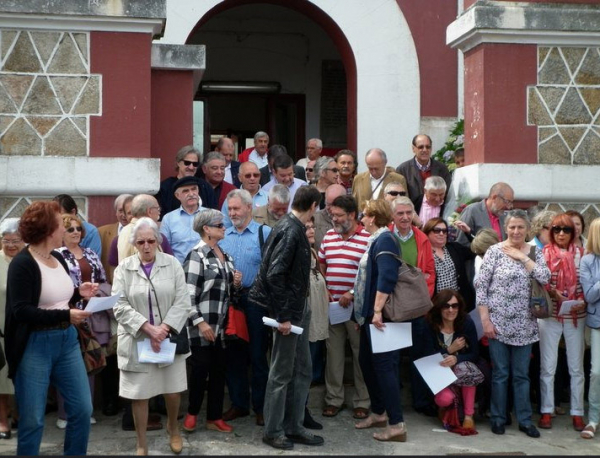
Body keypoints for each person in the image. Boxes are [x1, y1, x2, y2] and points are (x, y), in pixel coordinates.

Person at [5, 201, 97, 455]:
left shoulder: (58, 257)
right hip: (35, 345)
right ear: (48, 229)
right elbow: (21, 311)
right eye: (61, 223)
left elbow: (59, 298)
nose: (65, 228)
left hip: (66, 341)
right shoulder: (22, 264)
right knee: (33, 420)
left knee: (81, 410)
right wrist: (67, 314)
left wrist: (80, 293)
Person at [249, 186, 323, 450]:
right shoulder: (291, 229)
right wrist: (283, 317)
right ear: (313, 206)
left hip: (295, 309)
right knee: (281, 373)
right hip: (288, 313)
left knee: (303, 369)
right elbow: (274, 275)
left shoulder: (289, 226)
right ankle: (273, 430)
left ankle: (293, 426)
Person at [112, 217, 191, 455]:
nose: (146, 246)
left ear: (159, 240)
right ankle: (141, 442)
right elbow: (119, 305)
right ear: (134, 243)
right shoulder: (123, 268)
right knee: (140, 395)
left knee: (173, 390)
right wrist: (147, 327)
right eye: (140, 242)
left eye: (150, 241)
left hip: (167, 338)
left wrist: (163, 329)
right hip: (137, 339)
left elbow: (183, 301)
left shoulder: (173, 264)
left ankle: (173, 428)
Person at [475, 209, 550, 438]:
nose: (516, 231)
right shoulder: (494, 251)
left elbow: (545, 278)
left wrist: (523, 258)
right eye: (512, 227)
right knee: (500, 374)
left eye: (520, 227)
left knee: (521, 375)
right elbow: (481, 288)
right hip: (497, 324)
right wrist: (485, 321)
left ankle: (525, 420)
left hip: (525, 325)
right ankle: (498, 418)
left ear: (528, 229)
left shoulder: (535, 252)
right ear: (505, 229)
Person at [182, 209, 242, 435]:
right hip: (202, 326)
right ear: (206, 229)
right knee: (200, 370)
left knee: (219, 371)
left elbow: (230, 295)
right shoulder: (196, 255)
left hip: (223, 326)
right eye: (219, 224)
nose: (224, 227)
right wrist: (200, 322)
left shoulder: (225, 255)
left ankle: (214, 416)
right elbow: (187, 295)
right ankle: (192, 413)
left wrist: (236, 283)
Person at [353, 198, 406, 441]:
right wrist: (365, 313)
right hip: (370, 317)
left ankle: (397, 425)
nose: (361, 218)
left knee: (385, 369)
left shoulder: (385, 239)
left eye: (364, 214)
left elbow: (386, 278)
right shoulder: (377, 239)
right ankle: (379, 412)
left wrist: (376, 311)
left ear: (373, 217)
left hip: (385, 318)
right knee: (367, 362)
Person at [219, 190, 272, 427]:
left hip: (256, 301)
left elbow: (273, 270)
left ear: (249, 208)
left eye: (236, 209)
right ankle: (239, 404)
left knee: (258, 355)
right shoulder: (222, 236)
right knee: (234, 355)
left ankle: (261, 407)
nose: (232, 214)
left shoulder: (265, 233)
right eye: (229, 209)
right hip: (231, 301)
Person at [319, 195, 371, 420]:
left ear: (352, 215)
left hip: (356, 309)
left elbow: (370, 274)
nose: (335, 219)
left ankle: (362, 401)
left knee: (361, 356)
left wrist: (352, 293)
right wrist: (325, 287)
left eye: (339, 215)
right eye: (332, 215)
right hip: (333, 307)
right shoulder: (329, 236)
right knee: (334, 355)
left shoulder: (368, 239)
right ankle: (333, 400)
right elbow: (322, 262)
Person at [56, 214, 108, 430]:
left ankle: (85, 411)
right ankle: (65, 414)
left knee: (91, 361)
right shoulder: (56, 255)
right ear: (62, 233)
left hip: (92, 314)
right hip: (68, 315)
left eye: (78, 229)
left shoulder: (91, 253)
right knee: (66, 366)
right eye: (70, 229)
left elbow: (103, 280)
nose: (76, 232)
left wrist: (97, 292)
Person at [388, 196, 437, 416]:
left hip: (417, 309)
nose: (406, 217)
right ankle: (393, 404)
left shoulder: (422, 238)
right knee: (392, 359)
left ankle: (420, 402)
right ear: (392, 216)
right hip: (394, 309)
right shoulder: (385, 237)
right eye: (400, 213)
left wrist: (419, 297)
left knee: (421, 355)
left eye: (409, 212)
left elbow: (429, 272)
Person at [538, 214, 586, 431]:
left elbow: (588, 282)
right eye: (556, 229)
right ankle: (546, 410)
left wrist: (582, 301)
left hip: (576, 316)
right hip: (550, 316)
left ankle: (577, 412)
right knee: (548, 366)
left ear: (573, 233)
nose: (561, 234)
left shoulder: (583, 255)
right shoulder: (543, 254)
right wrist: (551, 291)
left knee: (576, 367)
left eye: (566, 230)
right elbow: (538, 281)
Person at [424, 289, 481, 433]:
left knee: (466, 370)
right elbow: (426, 357)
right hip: (438, 374)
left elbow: (475, 354)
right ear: (439, 308)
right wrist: (449, 350)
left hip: (461, 371)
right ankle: (444, 407)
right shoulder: (429, 325)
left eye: (454, 306)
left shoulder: (466, 322)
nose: (451, 310)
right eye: (446, 306)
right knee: (446, 399)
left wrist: (457, 358)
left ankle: (469, 416)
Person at [0, 218, 24, 439]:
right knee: (1, 375)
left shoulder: (29, 261)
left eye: (15, 240)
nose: (11, 245)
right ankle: (2, 419)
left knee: (23, 372)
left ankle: (19, 414)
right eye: (6, 240)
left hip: (24, 326)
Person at [304, 217, 328, 429]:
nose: (311, 230)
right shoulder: (300, 253)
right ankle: (300, 412)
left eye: (313, 226)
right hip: (305, 317)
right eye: (307, 227)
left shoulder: (312, 251)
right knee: (303, 366)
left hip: (317, 313)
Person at [423, 217, 476, 311]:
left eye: (444, 231)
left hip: (460, 305)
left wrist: (468, 232)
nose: (441, 234)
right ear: (427, 232)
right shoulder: (422, 254)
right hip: (436, 307)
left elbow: (478, 250)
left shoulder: (454, 248)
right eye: (437, 230)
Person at [579, 217, 600, 439]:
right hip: (598, 324)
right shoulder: (587, 261)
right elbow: (590, 296)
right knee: (596, 372)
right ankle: (593, 419)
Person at [155, 145, 217, 215]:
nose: (191, 167)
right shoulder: (165, 187)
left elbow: (213, 215)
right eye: (187, 163)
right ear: (178, 162)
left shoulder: (205, 187)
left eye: (195, 164)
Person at [395, 134, 452, 208]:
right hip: (412, 215)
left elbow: (448, 194)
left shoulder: (442, 168)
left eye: (428, 147)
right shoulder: (403, 169)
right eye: (421, 147)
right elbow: (400, 196)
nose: (425, 150)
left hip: (437, 214)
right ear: (413, 149)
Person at [160, 177, 206, 264]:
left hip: (206, 270)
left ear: (198, 191)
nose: (191, 194)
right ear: (177, 196)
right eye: (186, 191)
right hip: (179, 270)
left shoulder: (210, 215)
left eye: (194, 189)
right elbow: (164, 248)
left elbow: (220, 244)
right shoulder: (169, 219)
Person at [98, 194, 133, 284]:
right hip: (109, 284)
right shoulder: (102, 232)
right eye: (121, 210)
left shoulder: (144, 232)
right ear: (116, 212)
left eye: (128, 211)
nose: (124, 215)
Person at [221, 161, 268, 228]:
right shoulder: (230, 200)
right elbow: (225, 227)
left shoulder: (268, 198)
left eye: (256, 175)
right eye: (248, 176)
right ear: (240, 177)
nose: (252, 178)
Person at [313, 184, 345, 251]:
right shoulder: (314, 219)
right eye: (328, 204)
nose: (331, 209)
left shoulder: (351, 221)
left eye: (335, 205)